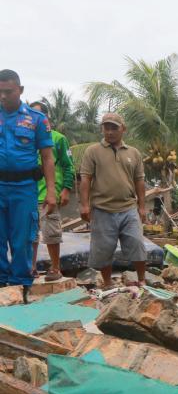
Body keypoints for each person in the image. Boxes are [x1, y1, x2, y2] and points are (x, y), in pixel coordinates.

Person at [0, 70, 57, 299]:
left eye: (8, 91)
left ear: (20, 90)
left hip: (24, 188)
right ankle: (2, 283)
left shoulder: (36, 119)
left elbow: (47, 157)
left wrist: (51, 191)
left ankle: (21, 284)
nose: (3, 96)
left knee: (22, 238)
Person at [78, 112, 148, 288]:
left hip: (128, 208)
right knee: (104, 249)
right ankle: (108, 283)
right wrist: (85, 205)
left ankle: (142, 280)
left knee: (137, 244)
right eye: (106, 127)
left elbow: (139, 180)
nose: (109, 132)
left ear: (123, 129)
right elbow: (85, 179)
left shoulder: (134, 153)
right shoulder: (92, 151)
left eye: (114, 128)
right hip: (102, 209)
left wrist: (142, 206)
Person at [28, 101, 75, 281]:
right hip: (29, 194)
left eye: (38, 114)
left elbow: (68, 166)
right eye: (31, 114)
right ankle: (31, 268)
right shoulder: (25, 139)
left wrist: (66, 189)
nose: (34, 118)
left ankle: (55, 268)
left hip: (50, 195)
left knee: (52, 234)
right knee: (30, 235)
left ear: (46, 117)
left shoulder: (58, 138)